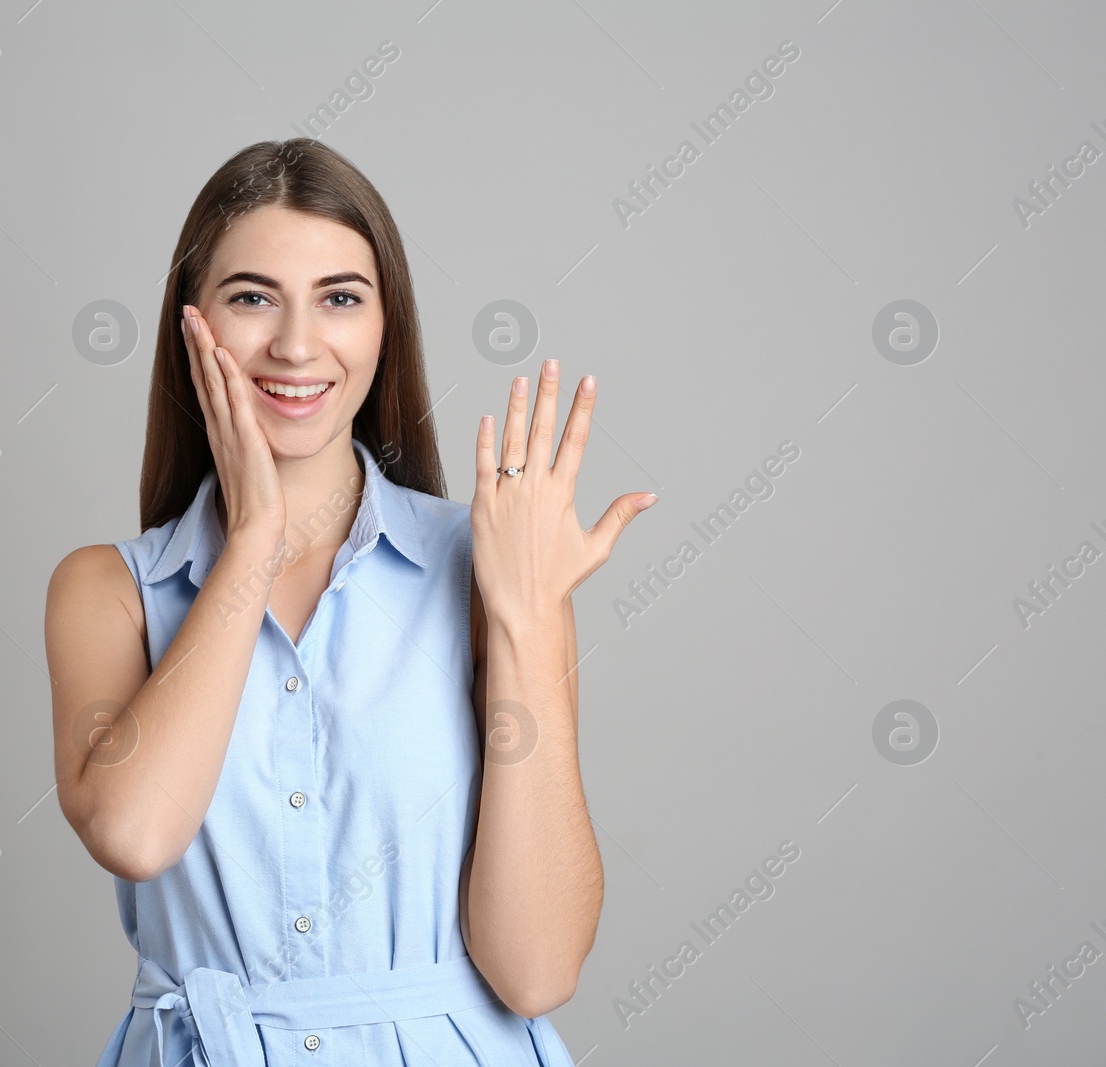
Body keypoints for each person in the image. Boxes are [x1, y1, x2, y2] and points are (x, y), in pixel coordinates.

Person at [45, 137, 657, 1066]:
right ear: (192, 325)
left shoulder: (485, 569)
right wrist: (251, 542)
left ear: (385, 327)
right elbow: (135, 830)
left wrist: (526, 623)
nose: (296, 344)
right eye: (252, 297)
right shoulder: (107, 591)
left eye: (340, 297)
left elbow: (534, 971)